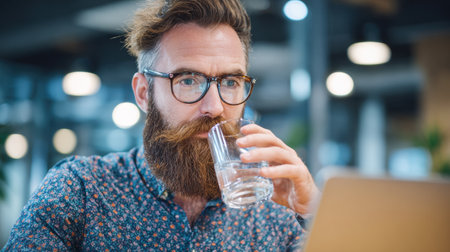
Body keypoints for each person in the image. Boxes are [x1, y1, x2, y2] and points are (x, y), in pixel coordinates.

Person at [2, 0, 320, 250]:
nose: (215, 107)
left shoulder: (277, 214)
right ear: (143, 93)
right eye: (188, 80)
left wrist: (313, 213)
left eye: (231, 81)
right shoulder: (82, 192)